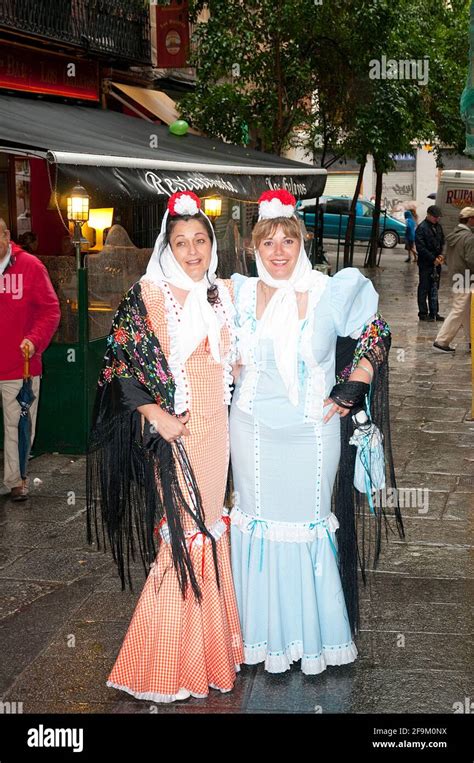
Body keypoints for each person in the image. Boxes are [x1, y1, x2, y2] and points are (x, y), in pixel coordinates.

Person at [229, 189, 403, 675]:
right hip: (251, 432)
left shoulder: (331, 290)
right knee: (256, 522)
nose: (279, 251)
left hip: (312, 431)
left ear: (301, 242)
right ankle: (257, 640)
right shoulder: (236, 292)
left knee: (308, 526)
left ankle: (312, 639)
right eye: (269, 242)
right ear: (254, 247)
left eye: (288, 239)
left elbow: (377, 331)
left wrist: (356, 382)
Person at [87, 191, 244, 703]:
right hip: (176, 434)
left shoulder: (221, 293)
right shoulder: (149, 294)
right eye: (181, 242)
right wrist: (158, 417)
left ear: (212, 243)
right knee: (183, 530)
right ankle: (162, 662)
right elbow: (118, 365)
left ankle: (208, 652)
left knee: (210, 525)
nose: (193, 250)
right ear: (167, 247)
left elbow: (231, 357)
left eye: (200, 240)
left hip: (216, 431)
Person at [0, 219, 60, 500]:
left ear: (6, 235)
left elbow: (50, 310)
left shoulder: (31, 266)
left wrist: (34, 340)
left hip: (19, 362)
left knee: (18, 425)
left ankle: (15, 480)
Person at [433, 207, 474, 353]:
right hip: (467, 278)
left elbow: (446, 257)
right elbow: (471, 260)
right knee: (459, 310)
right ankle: (441, 341)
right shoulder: (469, 237)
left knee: (466, 311)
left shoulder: (453, 235)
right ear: (470, 219)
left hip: (456, 276)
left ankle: (472, 341)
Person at [415, 205, 445, 322]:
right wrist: (433, 258)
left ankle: (434, 312)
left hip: (437, 263)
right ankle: (423, 313)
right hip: (426, 263)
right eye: (435, 217)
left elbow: (442, 242)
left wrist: (441, 255)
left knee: (434, 288)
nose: (437, 219)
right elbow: (421, 248)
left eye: (438, 217)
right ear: (428, 215)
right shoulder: (422, 228)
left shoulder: (438, 227)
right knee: (424, 287)